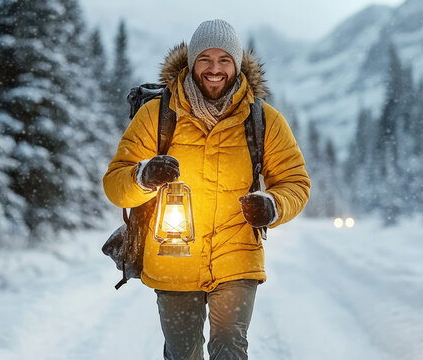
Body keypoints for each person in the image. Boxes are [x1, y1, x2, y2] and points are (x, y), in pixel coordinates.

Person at [102, 19, 310, 360]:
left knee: (230, 349)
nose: (215, 69)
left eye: (224, 60)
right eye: (206, 59)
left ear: (237, 63)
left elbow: (295, 182)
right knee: (183, 354)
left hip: (237, 258)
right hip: (172, 260)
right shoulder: (157, 115)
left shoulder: (264, 120)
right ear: (193, 62)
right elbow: (115, 184)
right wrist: (143, 177)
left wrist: (274, 204)